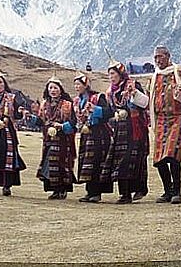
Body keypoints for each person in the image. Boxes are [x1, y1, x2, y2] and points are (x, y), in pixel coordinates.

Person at [146, 46, 181, 204]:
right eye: (155, 57)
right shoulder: (154, 77)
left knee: (173, 156)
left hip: (177, 118)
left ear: (168, 56)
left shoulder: (180, 73)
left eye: (160, 57)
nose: (158, 60)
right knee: (159, 159)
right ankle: (167, 190)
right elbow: (149, 96)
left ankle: (177, 191)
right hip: (160, 120)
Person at [101, 56, 150, 204]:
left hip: (135, 128)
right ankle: (125, 193)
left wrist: (134, 93)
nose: (111, 77)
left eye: (114, 74)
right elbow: (110, 111)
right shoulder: (110, 92)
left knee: (134, 158)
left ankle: (140, 189)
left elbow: (145, 103)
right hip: (120, 129)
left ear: (121, 74)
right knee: (120, 160)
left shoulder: (133, 85)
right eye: (109, 74)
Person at [73, 73, 114, 203]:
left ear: (86, 85)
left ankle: (96, 192)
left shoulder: (98, 97)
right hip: (86, 133)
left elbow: (109, 113)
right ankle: (89, 191)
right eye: (75, 84)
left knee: (97, 162)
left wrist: (95, 109)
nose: (76, 86)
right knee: (86, 162)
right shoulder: (77, 101)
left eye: (79, 84)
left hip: (99, 133)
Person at [35, 76, 77, 200]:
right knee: (49, 164)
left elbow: (74, 123)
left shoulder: (68, 105)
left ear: (61, 89)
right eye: (51, 88)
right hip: (49, 139)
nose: (53, 90)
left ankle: (63, 189)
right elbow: (40, 121)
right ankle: (54, 190)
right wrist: (29, 117)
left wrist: (63, 126)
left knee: (62, 164)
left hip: (63, 140)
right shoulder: (44, 105)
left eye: (55, 88)